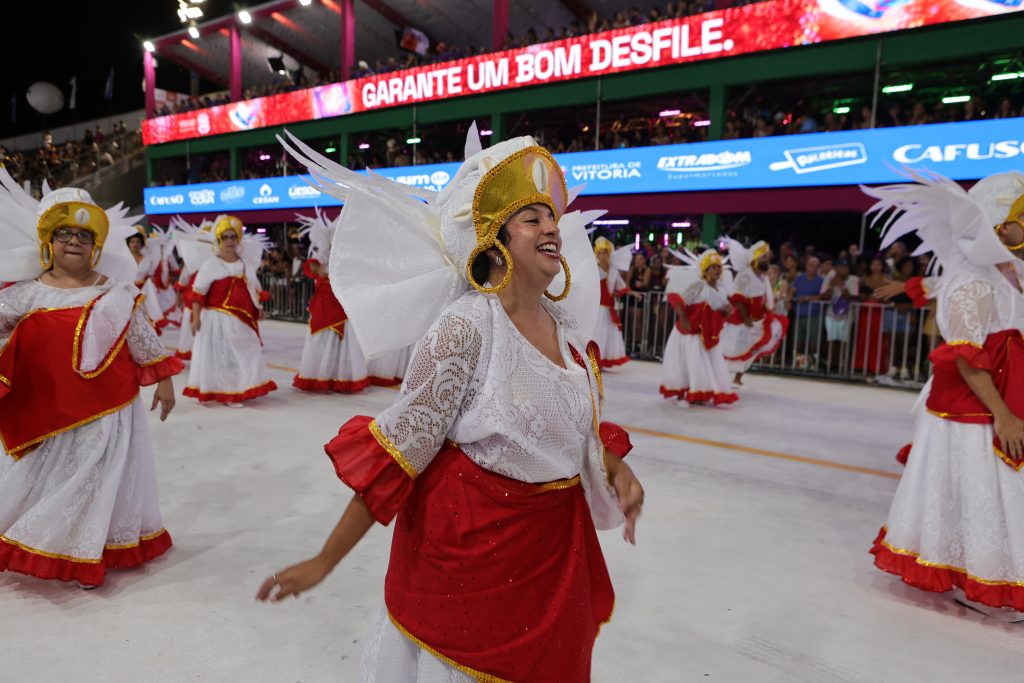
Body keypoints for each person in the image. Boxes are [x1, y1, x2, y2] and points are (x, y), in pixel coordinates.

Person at [259, 127, 643, 681]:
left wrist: (618, 470)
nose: (552, 227)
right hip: (467, 571)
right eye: (532, 218)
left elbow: (576, 430)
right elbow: (400, 453)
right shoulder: (465, 328)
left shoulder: (565, 330)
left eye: (551, 217)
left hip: (552, 565)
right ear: (494, 238)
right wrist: (325, 560)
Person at [0, 181, 182, 587]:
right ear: (48, 242)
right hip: (48, 408)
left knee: (98, 475)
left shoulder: (116, 292)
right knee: (50, 475)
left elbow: (142, 338)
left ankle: (86, 552)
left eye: (84, 235)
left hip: (110, 408)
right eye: (64, 233)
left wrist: (165, 381)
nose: (74, 241)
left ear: (96, 245)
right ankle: (45, 541)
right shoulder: (27, 294)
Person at [865, 170, 1024, 620]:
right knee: (976, 494)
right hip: (973, 412)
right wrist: (1004, 415)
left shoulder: (1011, 270)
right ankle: (978, 581)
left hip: (1005, 400)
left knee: (1003, 494)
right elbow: (965, 358)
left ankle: (1001, 575)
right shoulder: (972, 278)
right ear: (998, 225)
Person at [185, 215, 276, 406]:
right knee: (222, 356)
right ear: (218, 240)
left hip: (241, 318)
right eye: (225, 237)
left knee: (245, 351)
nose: (229, 241)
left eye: (233, 237)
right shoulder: (211, 265)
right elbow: (198, 293)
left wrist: (258, 308)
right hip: (216, 319)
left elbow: (253, 289)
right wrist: (195, 318)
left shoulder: (245, 264)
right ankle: (227, 393)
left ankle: (239, 387)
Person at [292, 211, 371, 393]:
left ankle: (342, 378)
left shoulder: (351, 258)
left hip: (344, 304)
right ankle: (320, 376)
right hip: (324, 304)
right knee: (323, 338)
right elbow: (313, 270)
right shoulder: (322, 257)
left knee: (346, 341)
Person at [660, 248, 738, 406]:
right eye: (713, 267)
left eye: (718, 267)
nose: (717, 270)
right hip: (689, 334)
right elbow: (678, 300)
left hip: (707, 336)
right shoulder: (698, 285)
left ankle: (698, 393)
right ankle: (682, 395)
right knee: (687, 364)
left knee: (703, 366)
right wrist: (683, 318)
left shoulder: (720, 290)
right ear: (705, 270)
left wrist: (727, 312)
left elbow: (720, 311)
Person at [720, 239, 788, 386]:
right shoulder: (745, 275)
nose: (767, 260)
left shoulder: (762, 276)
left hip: (756, 317)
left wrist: (765, 309)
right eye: (763, 257)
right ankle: (721, 376)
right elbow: (738, 299)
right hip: (741, 319)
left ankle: (737, 378)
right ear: (755, 258)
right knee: (732, 347)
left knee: (751, 348)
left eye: (767, 257)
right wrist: (746, 318)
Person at [591, 237, 630, 368]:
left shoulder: (614, 270)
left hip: (609, 308)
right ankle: (594, 359)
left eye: (605, 252)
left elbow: (621, 286)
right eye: (600, 253)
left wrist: (633, 293)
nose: (603, 256)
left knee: (607, 333)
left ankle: (604, 358)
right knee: (597, 332)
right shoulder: (594, 269)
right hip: (597, 307)